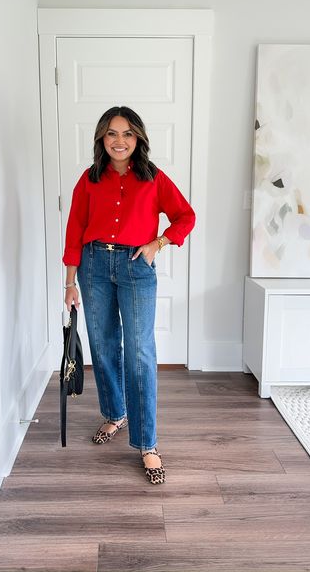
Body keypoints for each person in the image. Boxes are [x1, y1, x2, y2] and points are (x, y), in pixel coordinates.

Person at [63, 106, 195, 484]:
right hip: (92, 267)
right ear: (101, 140)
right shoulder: (89, 180)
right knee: (103, 346)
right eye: (111, 134)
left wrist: (159, 242)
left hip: (137, 266)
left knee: (139, 351)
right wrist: (70, 282)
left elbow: (185, 216)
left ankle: (147, 443)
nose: (119, 141)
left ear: (138, 139)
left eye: (127, 134)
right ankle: (115, 413)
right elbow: (75, 228)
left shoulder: (153, 179)